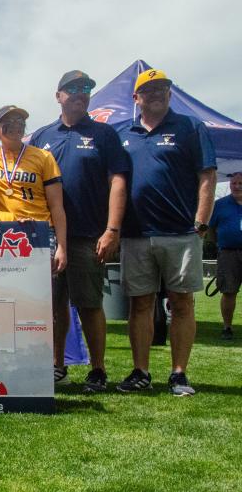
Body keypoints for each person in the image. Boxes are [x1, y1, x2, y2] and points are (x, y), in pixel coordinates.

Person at [116, 69, 216, 396]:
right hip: (136, 233)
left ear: (170, 94)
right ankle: (140, 371)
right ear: (136, 98)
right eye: (149, 89)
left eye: (162, 89)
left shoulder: (190, 127)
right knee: (140, 304)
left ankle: (179, 374)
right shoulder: (123, 133)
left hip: (181, 231)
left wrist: (201, 222)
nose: (156, 93)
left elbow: (207, 176)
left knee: (182, 302)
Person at [29, 70, 129, 392]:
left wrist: (112, 229)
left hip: (88, 234)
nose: (80, 93)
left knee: (89, 304)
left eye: (86, 88)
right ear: (58, 95)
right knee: (53, 306)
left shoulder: (104, 134)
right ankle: (57, 365)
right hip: (46, 237)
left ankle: (98, 369)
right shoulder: (42, 136)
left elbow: (118, 181)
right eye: (72, 88)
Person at [0, 105, 68, 274]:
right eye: (9, 121)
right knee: (4, 291)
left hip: (38, 231)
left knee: (39, 294)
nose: (16, 125)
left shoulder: (43, 157)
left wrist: (62, 247)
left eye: (20, 121)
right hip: (1, 232)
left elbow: (57, 206)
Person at [209, 172, 242, 340]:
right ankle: (227, 327)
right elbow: (210, 230)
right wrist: (220, 244)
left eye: (240, 183)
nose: (237, 186)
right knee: (228, 292)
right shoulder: (219, 205)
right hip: (228, 253)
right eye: (234, 183)